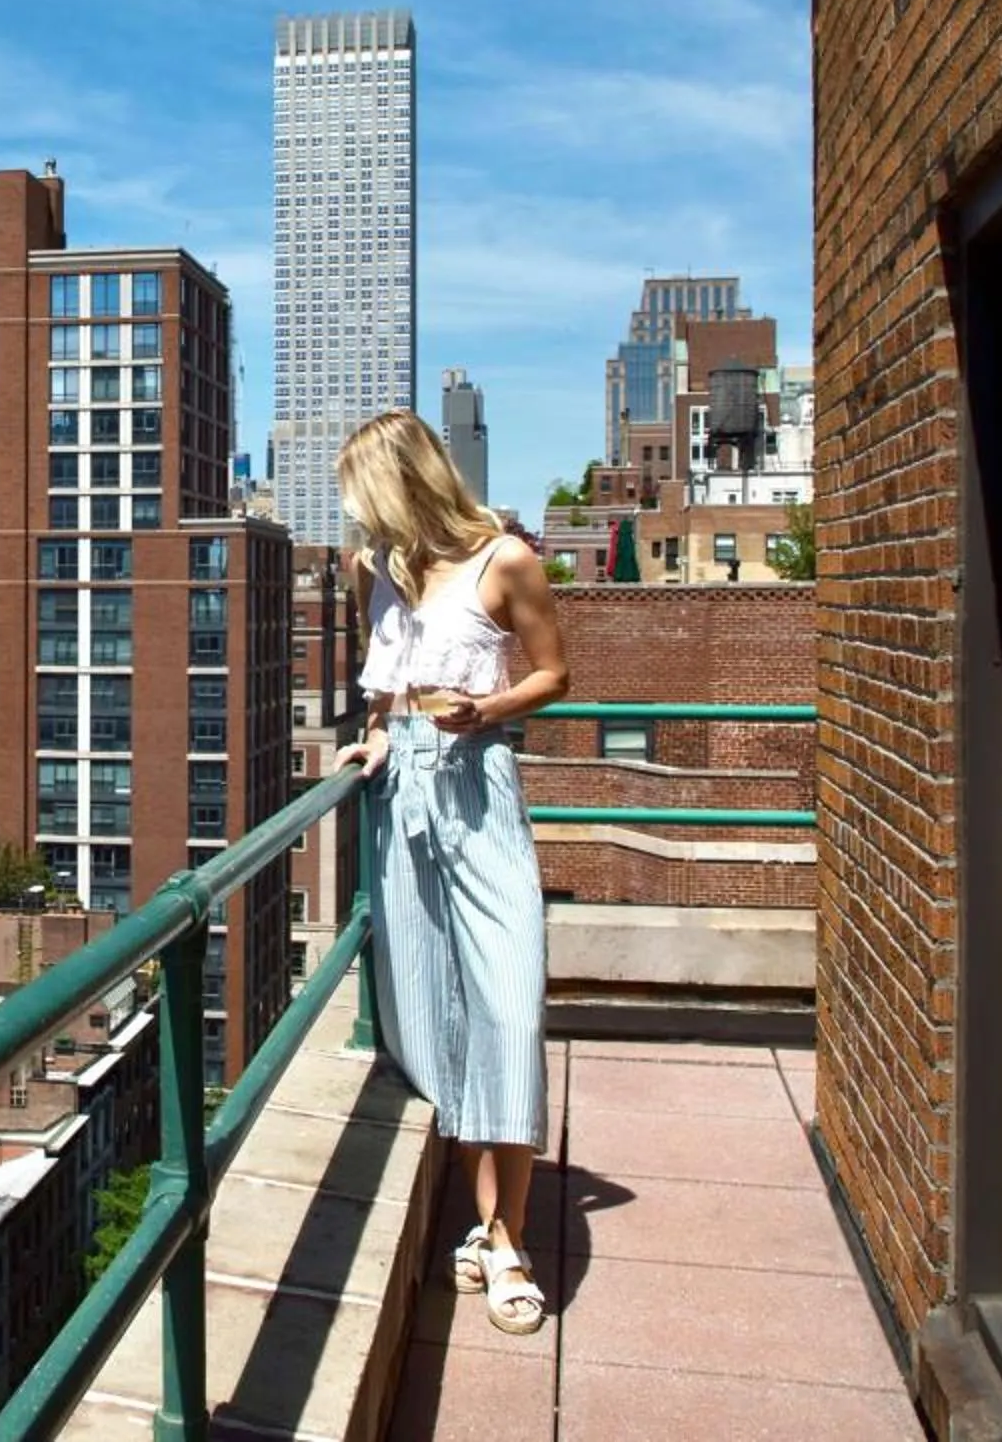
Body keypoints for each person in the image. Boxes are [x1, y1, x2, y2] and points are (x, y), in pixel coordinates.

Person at [332, 410, 569, 1338]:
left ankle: (509, 1242)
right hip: (404, 795)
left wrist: (489, 709)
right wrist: (375, 736)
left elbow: (554, 674)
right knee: (438, 1017)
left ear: (405, 483)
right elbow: (384, 685)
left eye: (365, 499)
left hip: (478, 784)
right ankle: (490, 1225)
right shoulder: (374, 569)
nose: (359, 519)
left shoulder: (504, 560)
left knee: (511, 1007)